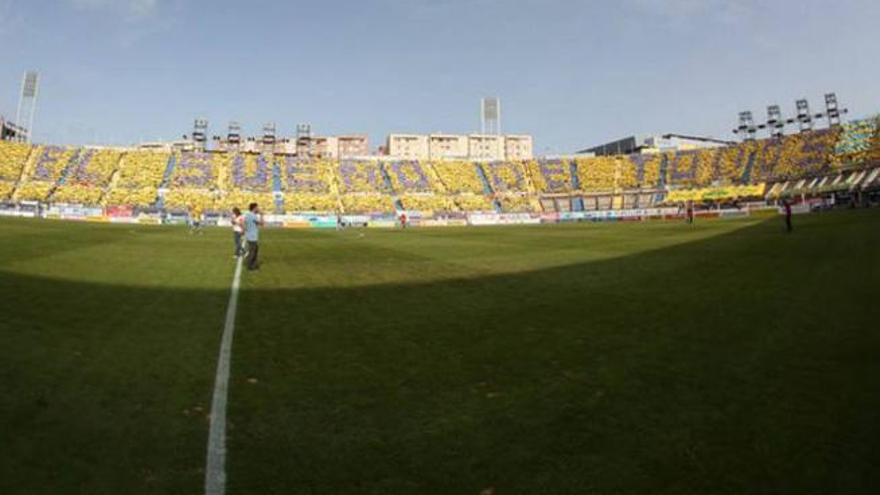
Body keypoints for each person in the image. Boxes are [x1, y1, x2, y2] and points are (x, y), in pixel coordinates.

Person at [244, 202, 264, 270]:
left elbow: (245, 224)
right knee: (253, 252)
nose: (258, 209)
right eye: (257, 207)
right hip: (253, 236)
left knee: (254, 250)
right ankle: (250, 266)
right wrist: (261, 215)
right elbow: (262, 223)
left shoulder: (247, 215)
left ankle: (254, 264)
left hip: (249, 235)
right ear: (254, 208)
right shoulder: (253, 216)